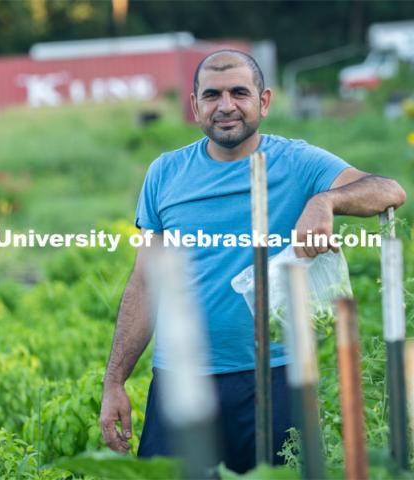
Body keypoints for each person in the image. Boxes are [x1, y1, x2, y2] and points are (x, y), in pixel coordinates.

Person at [100, 49, 406, 473]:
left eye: (239, 93)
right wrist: (114, 382)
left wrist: (325, 200)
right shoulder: (165, 173)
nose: (226, 106)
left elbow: (389, 190)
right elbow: (145, 283)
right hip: (180, 377)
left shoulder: (297, 162)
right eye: (212, 95)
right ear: (194, 106)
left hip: (275, 377)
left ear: (263, 101)